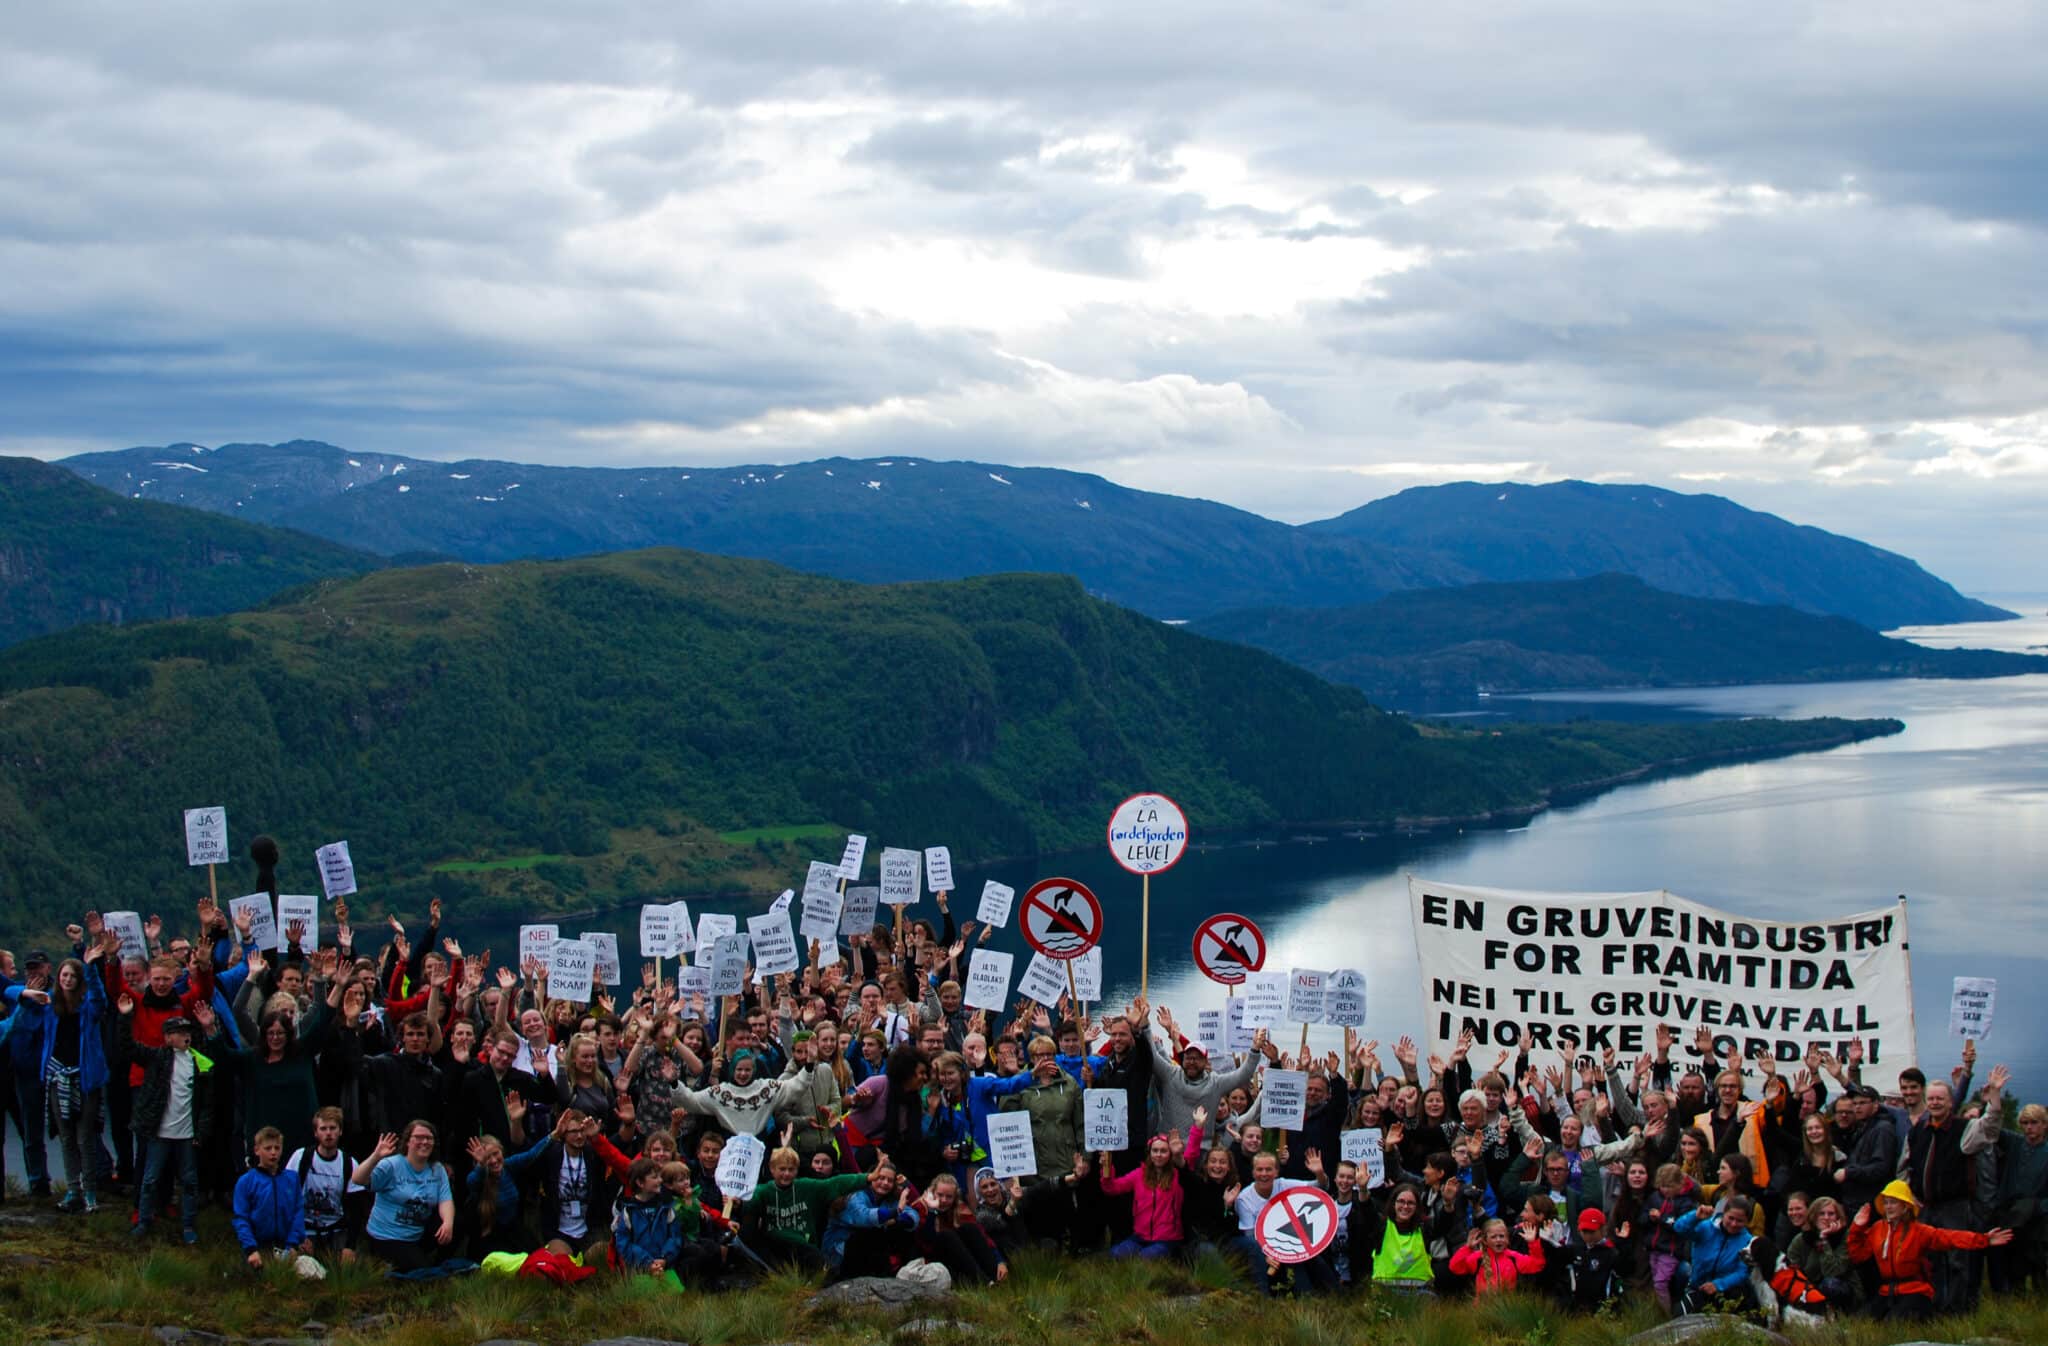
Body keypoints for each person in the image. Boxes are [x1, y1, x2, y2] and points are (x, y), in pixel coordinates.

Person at [118, 1002, 226, 1244]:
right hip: (160, 1132)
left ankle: (188, 1225)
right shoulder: (156, 1057)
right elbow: (128, 1047)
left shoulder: (200, 1062)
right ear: (168, 1038)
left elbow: (207, 1102)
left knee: (189, 1182)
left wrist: (201, 1131)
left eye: (188, 1032)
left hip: (187, 1135)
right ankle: (143, 1221)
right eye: (179, 1033)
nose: (186, 1036)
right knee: (150, 1179)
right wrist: (125, 1017)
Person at [1847, 1179, 2013, 1322]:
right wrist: (1857, 1228)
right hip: (1886, 1291)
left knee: (1894, 1322)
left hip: (1915, 1291)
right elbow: (1858, 1255)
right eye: (1886, 1202)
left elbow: (1950, 1237)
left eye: (1893, 1202)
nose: (1888, 1207)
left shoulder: (1919, 1231)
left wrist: (1984, 1240)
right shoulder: (1877, 1229)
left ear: (1905, 1206)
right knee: (1862, 1321)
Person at [355, 1121, 456, 1270]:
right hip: (388, 1237)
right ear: (408, 1141)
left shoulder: (437, 1169)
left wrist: (448, 1223)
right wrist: (376, 1156)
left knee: (457, 1222)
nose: (424, 1142)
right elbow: (358, 1179)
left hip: (417, 1232)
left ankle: (437, 1262)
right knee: (422, 1273)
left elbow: (445, 1200)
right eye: (419, 1137)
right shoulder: (391, 1165)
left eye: (429, 1138)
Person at [289, 1106, 363, 1263]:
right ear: (316, 1133)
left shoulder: (350, 1164)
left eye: (332, 1128)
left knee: (349, 1265)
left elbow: (356, 1210)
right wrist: (296, 1235)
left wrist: (350, 1246)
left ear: (340, 1131)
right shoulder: (300, 1157)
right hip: (304, 1228)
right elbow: (287, 1199)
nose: (328, 1133)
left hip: (336, 1229)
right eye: (323, 1129)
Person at [232, 1127, 304, 1269]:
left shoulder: (292, 1179)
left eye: (277, 1148)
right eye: (268, 1148)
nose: (273, 1153)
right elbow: (241, 1218)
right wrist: (251, 1249)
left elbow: (298, 1212)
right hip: (257, 1247)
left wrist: (293, 1244)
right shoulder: (246, 1181)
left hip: (286, 1246)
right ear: (257, 1150)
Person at [1672, 1195, 1757, 1314]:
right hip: (1698, 1286)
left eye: (1739, 1221)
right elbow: (1679, 1228)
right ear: (1723, 1214)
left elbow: (1742, 1272)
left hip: (1726, 1291)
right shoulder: (1706, 1227)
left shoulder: (1747, 1241)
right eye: (1731, 1218)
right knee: (1680, 1314)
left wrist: (1718, 1285)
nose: (1733, 1224)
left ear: (1747, 1222)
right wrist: (1695, 1216)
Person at [611, 1155, 686, 1284]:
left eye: (660, 1176)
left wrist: (664, 1258)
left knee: (675, 1294)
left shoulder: (666, 1207)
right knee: (645, 1295)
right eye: (654, 1177)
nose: (660, 1180)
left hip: (665, 1267)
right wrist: (647, 1262)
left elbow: (675, 1237)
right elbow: (624, 1244)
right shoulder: (628, 1211)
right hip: (639, 1271)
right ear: (640, 1183)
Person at [1448, 1218, 1545, 1295]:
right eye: (1493, 1237)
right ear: (1485, 1240)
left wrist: (1532, 1243)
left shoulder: (1513, 1257)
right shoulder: (1478, 1258)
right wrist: (1467, 1248)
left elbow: (1537, 1264)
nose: (1498, 1240)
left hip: (1507, 1308)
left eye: (1502, 1236)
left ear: (1507, 1238)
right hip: (1483, 1308)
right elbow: (1455, 1267)